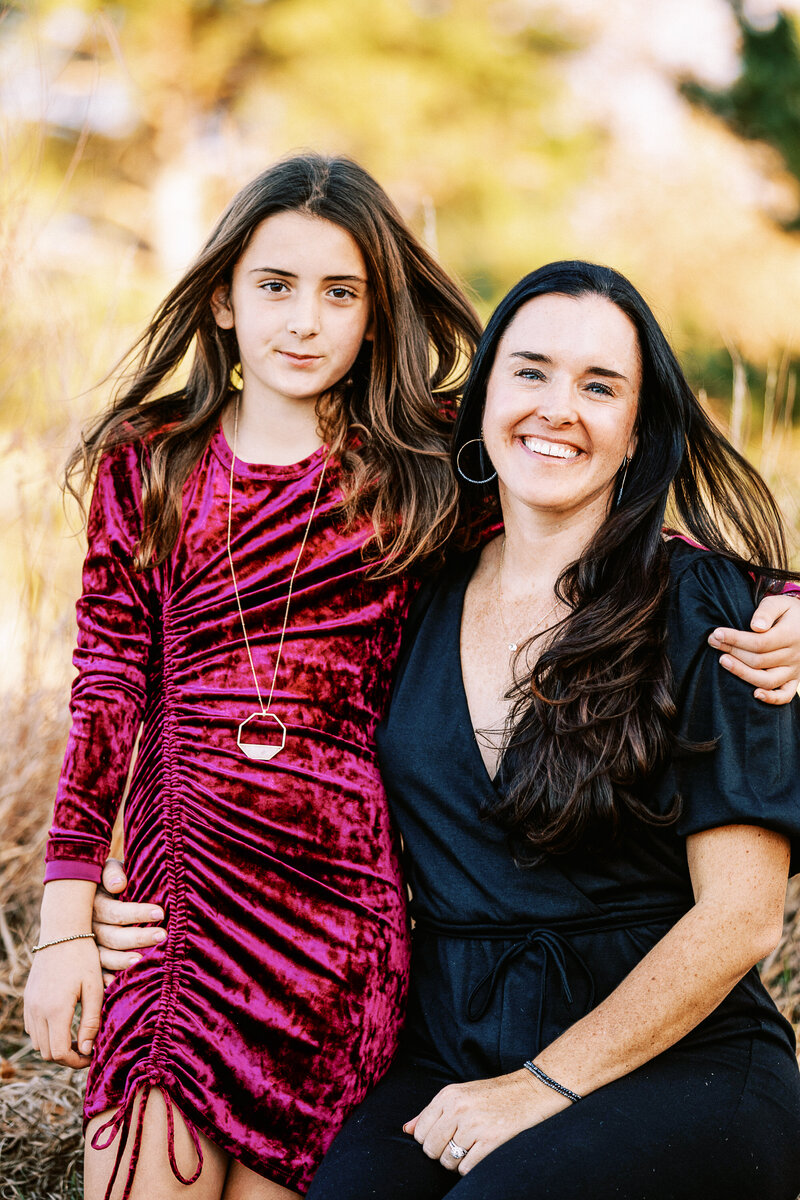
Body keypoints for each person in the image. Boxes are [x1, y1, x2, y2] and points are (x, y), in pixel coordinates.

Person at [23, 153, 482, 1200]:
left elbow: (595, 529)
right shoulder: (153, 464)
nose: (303, 320)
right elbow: (104, 687)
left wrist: (768, 595)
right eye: (275, 285)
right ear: (224, 297)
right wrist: (62, 929)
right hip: (176, 909)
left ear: (375, 314)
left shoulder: (413, 470)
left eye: (339, 292)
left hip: (335, 931)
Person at [303, 262, 800, 1200]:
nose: (557, 408)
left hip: (679, 1065)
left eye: (600, 385)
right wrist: (114, 886)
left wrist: (538, 1087)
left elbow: (741, 916)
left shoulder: (715, 610)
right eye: (529, 371)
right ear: (485, 394)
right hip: (454, 1047)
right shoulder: (412, 590)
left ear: (639, 431)